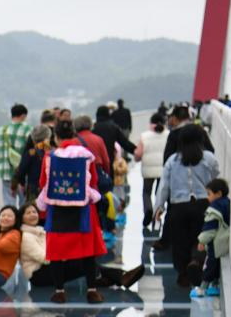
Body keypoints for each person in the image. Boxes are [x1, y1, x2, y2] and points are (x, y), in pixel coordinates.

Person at [36, 120, 107, 304]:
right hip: (83, 210)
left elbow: (43, 183)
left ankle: (59, 291)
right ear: (74, 134)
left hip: (58, 210)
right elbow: (93, 181)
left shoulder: (49, 156)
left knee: (57, 253)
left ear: (56, 137)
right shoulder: (86, 155)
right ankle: (91, 291)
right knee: (88, 253)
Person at [17, 202, 143, 291]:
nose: (33, 214)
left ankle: (116, 278)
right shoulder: (26, 237)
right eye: (28, 213)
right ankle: (119, 277)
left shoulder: (40, 230)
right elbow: (45, 258)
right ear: (21, 218)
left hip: (47, 268)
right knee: (81, 263)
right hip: (38, 276)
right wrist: (66, 255)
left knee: (84, 262)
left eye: (34, 211)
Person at [155, 123, 220, 287]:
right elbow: (215, 181)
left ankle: (182, 273)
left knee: (179, 241)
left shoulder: (173, 160)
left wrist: (159, 207)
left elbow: (164, 186)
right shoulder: (209, 158)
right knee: (201, 238)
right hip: (202, 205)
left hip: (178, 206)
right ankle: (196, 261)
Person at [189, 178, 229, 298]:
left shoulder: (214, 209)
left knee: (209, 266)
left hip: (216, 244)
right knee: (216, 266)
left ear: (218, 194)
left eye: (209, 194)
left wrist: (202, 241)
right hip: (224, 241)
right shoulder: (227, 203)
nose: (208, 197)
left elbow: (210, 228)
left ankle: (202, 288)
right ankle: (215, 286)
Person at [136, 113, 169, 231]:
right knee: (159, 194)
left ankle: (148, 209)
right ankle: (157, 214)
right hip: (163, 169)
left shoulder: (144, 136)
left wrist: (136, 159)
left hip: (148, 169)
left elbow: (138, 154)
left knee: (146, 193)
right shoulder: (168, 135)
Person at [14, 124, 53, 199]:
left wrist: (21, 183)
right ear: (48, 136)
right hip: (50, 187)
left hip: (33, 188)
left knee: (34, 209)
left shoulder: (30, 152)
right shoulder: (52, 152)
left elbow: (22, 170)